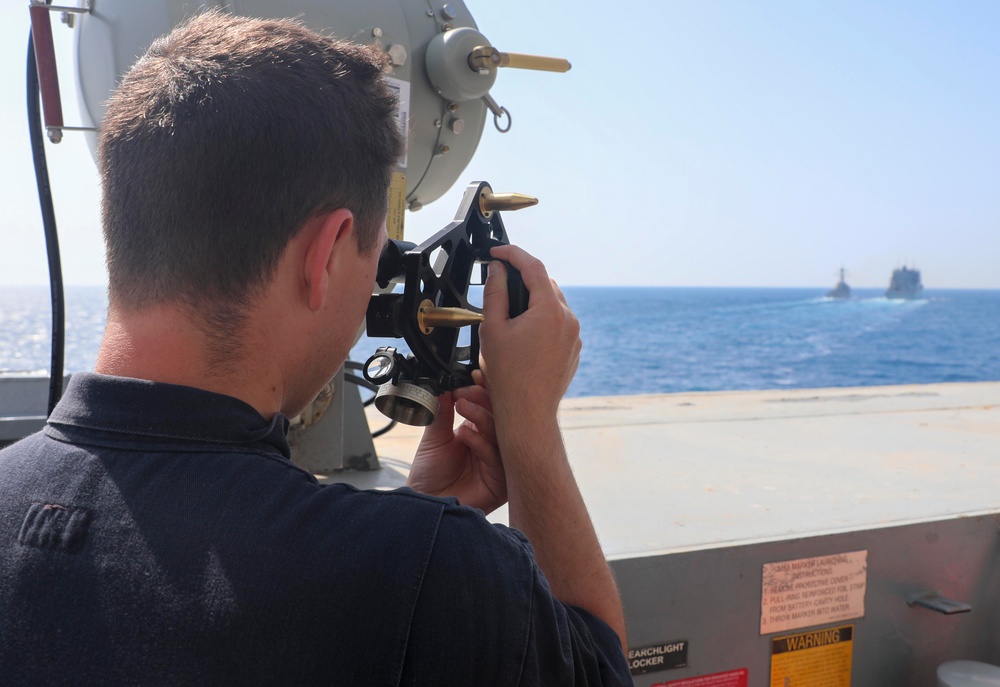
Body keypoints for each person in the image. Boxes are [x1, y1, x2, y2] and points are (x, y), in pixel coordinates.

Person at [0, 11, 629, 685]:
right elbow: (598, 667)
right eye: (373, 255)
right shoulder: (429, 572)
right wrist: (529, 429)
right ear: (325, 255)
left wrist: (414, 523)